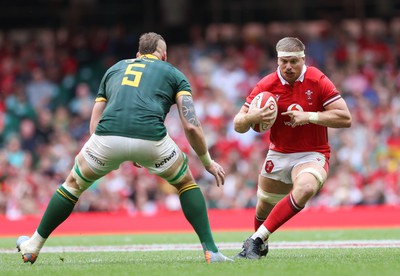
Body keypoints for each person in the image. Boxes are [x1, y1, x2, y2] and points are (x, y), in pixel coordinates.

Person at [16, 32, 233, 264]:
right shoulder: (173, 73)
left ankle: (34, 245)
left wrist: (109, 152)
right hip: (152, 140)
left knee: (73, 185)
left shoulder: (115, 69)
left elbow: (94, 123)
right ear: (164, 56)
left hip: (106, 138)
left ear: (138, 54)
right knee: (185, 183)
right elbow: (190, 125)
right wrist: (207, 161)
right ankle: (211, 251)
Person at [233, 37, 352, 259]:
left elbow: (345, 117)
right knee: (263, 206)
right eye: (284, 62)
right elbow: (238, 125)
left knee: (305, 188)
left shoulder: (318, 80)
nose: (288, 67)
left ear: (303, 60)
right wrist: (252, 116)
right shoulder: (266, 85)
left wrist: (310, 116)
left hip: (313, 152)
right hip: (278, 153)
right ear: (277, 61)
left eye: (294, 62)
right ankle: (260, 243)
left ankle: (256, 239)